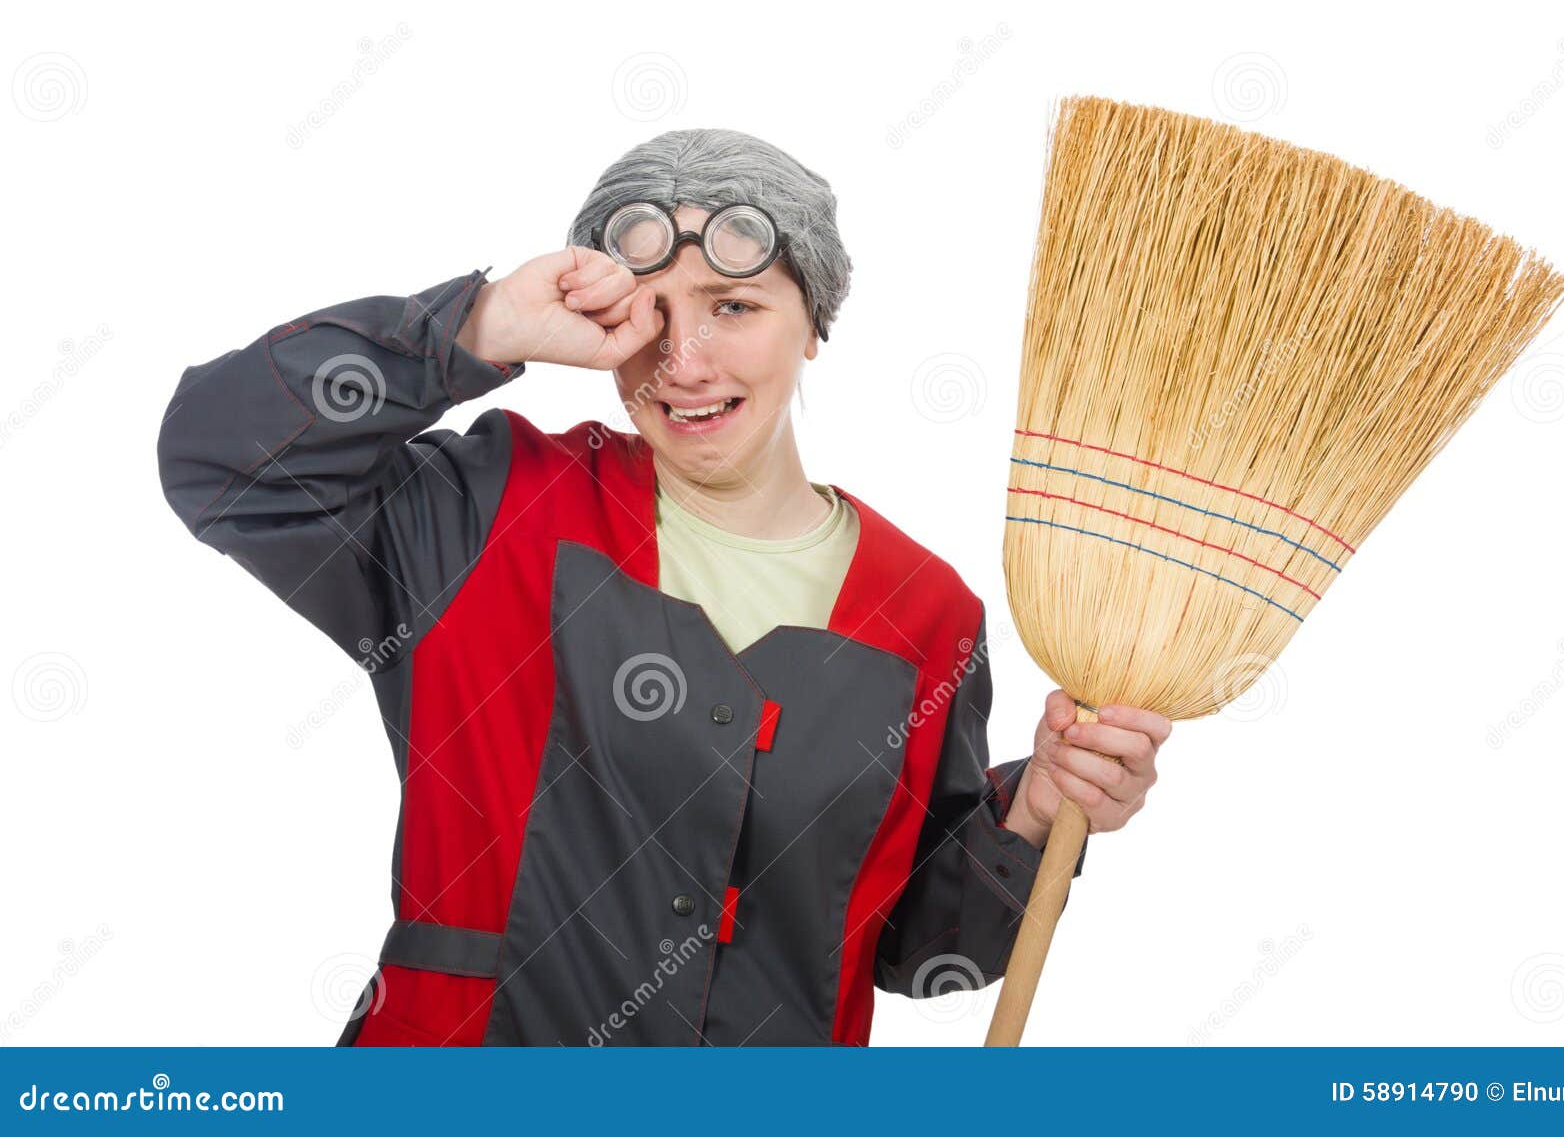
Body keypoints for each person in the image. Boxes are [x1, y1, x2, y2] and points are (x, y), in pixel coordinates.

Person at [156, 128, 1170, 1047]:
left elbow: (906, 944)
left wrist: (1033, 812)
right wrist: (478, 326)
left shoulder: (924, 612)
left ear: (812, 323)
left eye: (734, 307)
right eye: (648, 314)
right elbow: (222, 457)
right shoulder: (490, 510)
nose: (683, 362)